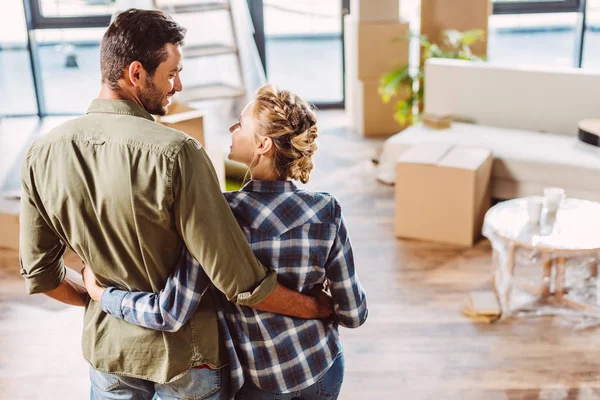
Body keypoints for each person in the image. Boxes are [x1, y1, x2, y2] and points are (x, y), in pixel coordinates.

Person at [19, 9, 331, 400]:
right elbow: (239, 281)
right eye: (171, 73)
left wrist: (105, 300)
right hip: (186, 359)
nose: (178, 85)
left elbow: (40, 274)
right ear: (136, 73)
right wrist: (313, 307)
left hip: (108, 355)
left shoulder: (41, 153)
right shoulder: (177, 153)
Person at [83, 84, 369, 400]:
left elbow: (170, 312)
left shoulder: (219, 216)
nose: (232, 129)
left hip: (263, 384)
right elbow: (353, 314)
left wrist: (103, 295)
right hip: (323, 369)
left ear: (263, 144)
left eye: (241, 124)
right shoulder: (326, 209)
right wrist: (319, 301)